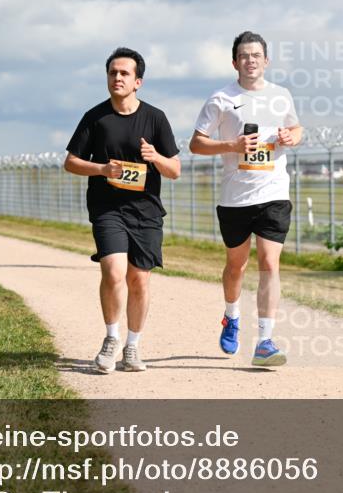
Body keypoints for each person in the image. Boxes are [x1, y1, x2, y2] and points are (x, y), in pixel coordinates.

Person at [189, 31, 303, 367]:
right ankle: (231, 316)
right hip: (235, 197)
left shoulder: (282, 96)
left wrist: (290, 137)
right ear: (235, 61)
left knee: (270, 263)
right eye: (244, 55)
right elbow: (196, 144)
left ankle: (265, 340)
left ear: (266, 61)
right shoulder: (221, 99)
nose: (250, 60)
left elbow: (296, 129)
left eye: (256, 55)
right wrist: (232, 146)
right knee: (236, 266)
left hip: (274, 193)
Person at [63, 47, 180, 374]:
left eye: (124, 73)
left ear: (138, 81)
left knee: (138, 279)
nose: (117, 78)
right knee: (113, 272)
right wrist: (102, 170)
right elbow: (70, 162)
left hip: (146, 212)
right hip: (107, 208)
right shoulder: (95, 117)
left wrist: (155, 157)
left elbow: (175, 170)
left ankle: (132, 346)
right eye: (112, 73)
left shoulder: (155, 118)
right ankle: (111, 339)